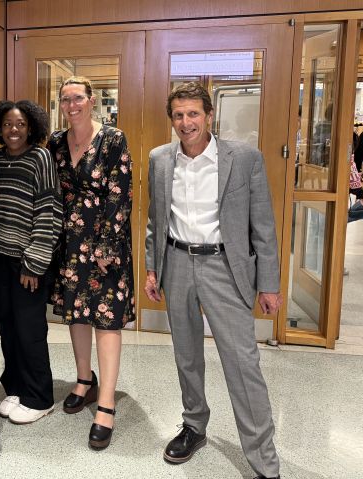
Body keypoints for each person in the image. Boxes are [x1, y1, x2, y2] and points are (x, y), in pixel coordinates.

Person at [144, 82, 282, 479]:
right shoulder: (160, 159)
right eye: (178, 115)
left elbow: (264, 226)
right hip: (177, 263)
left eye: (193, 114)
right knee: (186, 355)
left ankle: (263, 460)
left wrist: (269, 284)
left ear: (208, 116)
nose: (186, 122)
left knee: (242, 363)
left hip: (225, 268)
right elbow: (156, 220)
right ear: (171, 119)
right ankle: (194, 425)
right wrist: (154, 268)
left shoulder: (243, 158)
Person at [48, 76, 135, 450]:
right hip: (69, 242)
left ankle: (106, 402)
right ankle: (84, 379)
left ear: (92, 99)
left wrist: (107, 247)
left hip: (104, 243)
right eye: (66, 99)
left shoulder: (114, 139)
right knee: (76, 313)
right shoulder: (54, 141)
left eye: (78, 98)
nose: (72, 105)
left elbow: (121, 193)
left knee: (107, 318)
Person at [0, 100, 62, 425]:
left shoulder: (40, 158)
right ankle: (14, 386)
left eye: (20, 125)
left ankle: (40, 397)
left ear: (31, 127)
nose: (14, 130)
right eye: (7, 125)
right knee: (6, 324)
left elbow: (49, 211)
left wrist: (35, 262)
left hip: (29, 261)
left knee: (30, 329)